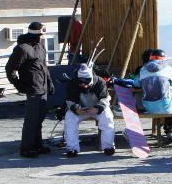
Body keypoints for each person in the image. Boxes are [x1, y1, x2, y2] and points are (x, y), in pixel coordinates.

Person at [6, 21, 53, 158]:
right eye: (39, 35)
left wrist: (50, 83)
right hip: (32, 89)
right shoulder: (22, 49)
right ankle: (26, 148)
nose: (41, 38)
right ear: (33, 35)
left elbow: (44, 66)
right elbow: (10, 70)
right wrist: (19, 86)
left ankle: (37, 145)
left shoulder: (40, 46)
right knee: (31, 120)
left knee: (39, 119)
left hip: (42, 88)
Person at [63, 63, 115, 157]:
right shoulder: (73, 83)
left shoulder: (100, 82)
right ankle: (72, 148)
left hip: (97, 108)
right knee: (69, 117)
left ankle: (108, 146)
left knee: (108, 117)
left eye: (86, 83)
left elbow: (105, 98)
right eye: (81, 83)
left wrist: (98, 108)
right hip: (81, 109)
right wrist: (76, 109)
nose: (84, 86)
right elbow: (69, 100)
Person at [136, 49, 172, 146]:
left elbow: (136, 83)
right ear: (163, 59)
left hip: (148, 107)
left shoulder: (142, 69)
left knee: (171, 109)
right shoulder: (167, 68)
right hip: (166, 105)